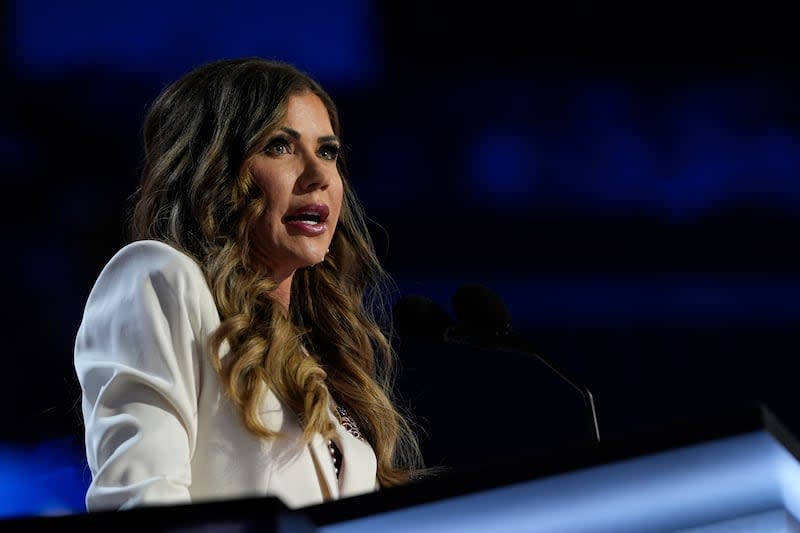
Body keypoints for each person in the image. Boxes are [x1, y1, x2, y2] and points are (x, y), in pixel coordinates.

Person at [73, 56, 430, 512]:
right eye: (280, 146)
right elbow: (141, 510)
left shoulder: (318, 355)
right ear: (214, 169)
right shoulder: (159, 278)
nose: (319, 176)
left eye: (328, 151)